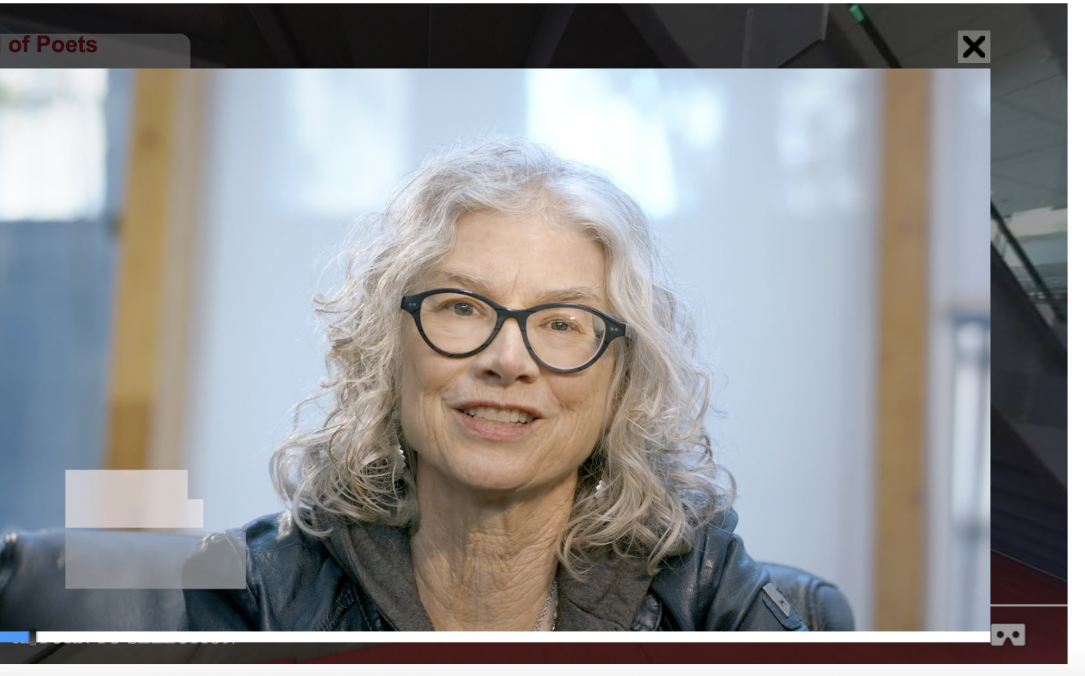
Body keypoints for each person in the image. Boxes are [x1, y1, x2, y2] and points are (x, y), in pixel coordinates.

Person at [180, 137, 806, 631]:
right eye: (461, 307)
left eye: (563, 322)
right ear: (390, 351)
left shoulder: (705, 587)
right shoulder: (254, 592)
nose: (508, 360)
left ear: (621, 384)